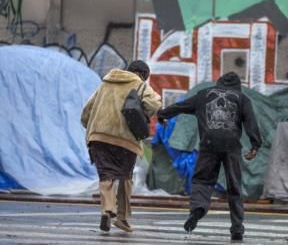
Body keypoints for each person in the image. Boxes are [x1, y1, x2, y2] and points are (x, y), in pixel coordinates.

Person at [157, 71, 262, 242]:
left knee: (202, 180)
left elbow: (181, 106)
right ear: (237, 86)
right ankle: (237, 229)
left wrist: (163, 114)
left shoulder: (203, 95)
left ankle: (198, 208)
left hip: (208, 144)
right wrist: (255, 144)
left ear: (219, 83)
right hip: (231, 146)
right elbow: (251, 121)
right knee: (234, 187)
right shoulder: (242, 98)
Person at [81, 60, 161, 232]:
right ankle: (122, 218)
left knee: (106, 174)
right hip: (125, 139)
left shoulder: (106, 83)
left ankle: (108, 209)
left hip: (99, 136)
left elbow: (87, 110)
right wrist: (143, 115)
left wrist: (92, 126)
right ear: (142, 74)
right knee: (125, 176)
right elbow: (154, 104)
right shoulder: (139, 85)